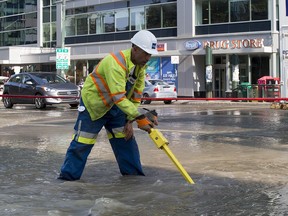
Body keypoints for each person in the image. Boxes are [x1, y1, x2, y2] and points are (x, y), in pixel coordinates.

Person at [58, 30, 159, 181]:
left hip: (116, 107)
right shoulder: (115, 63)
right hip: (94, 107)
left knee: (126, 139)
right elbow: (118, 96)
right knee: (82, 144)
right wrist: (140, 118)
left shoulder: (140, 67)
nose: (148, 58)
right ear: (135, 48)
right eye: (146, 53)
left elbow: (136, 96)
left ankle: (134, 181)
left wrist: (130, 120)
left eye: (150, 54)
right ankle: (67, 181)